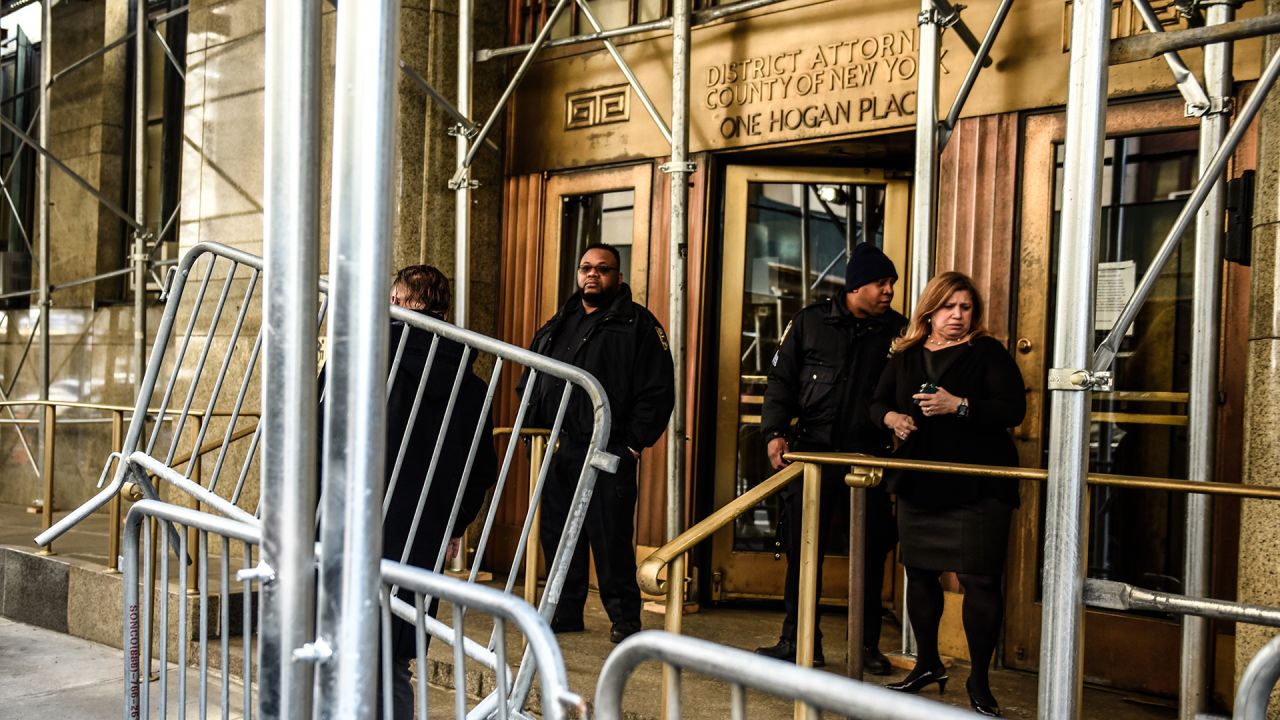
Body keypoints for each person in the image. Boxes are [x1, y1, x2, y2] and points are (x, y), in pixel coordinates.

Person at [869, 271, 1025, 718]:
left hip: (979, 483)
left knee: (979, 580)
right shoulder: (906, 354)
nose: (957, 316)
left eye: (966, 308)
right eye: (948, 307)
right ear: (930, 311)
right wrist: (893, 419)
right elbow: (876, 402)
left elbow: (1013, 409)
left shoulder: (988, 353)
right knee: (919, 574)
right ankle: (928, 663)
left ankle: (979, 678)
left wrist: (959, 405)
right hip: (921, 481)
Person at [755, 242, 906, 674]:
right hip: (812, 458)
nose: (889, 290)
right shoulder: (810, 322)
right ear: (857, 285)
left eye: (892, 282)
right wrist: (774, 433)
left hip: (870, 461)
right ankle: (798, 640)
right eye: (881, 282)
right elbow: (780, 382)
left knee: (871, 555)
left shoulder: (898, 331)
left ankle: (866, 647)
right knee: (806, 550)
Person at [525, 242, 675, 644]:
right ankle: (565, 611)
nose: (593, 274)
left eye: (603, 269)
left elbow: (658, 392)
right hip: (558, 448)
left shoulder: (639, 325)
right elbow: (535, 375)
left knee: (610, 538)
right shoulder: (561, 319)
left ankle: (625, 618)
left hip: (608, 449)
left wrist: (631, 445)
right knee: (558, 536)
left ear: (618, 277)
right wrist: (532, 430)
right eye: (586, 267)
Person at [379, 265, 499, 719]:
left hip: (349, 521)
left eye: (393, 300)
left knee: (333, 639)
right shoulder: (470, 383)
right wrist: (455, 522)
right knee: (394, 656)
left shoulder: (369, 357)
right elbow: (481, 466)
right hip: (422, 533)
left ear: (406, 303)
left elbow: (320, 435)